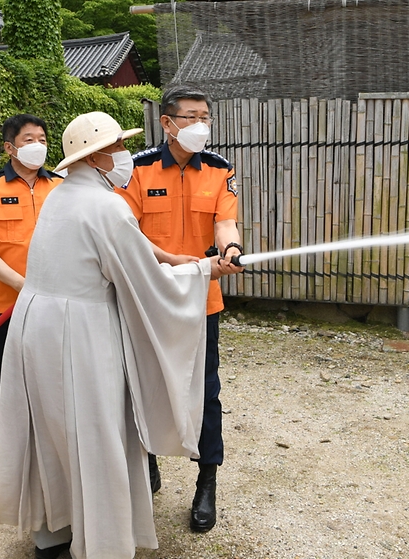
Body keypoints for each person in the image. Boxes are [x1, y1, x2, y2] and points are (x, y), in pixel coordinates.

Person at [0, 111, 241, 559]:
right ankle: (103, 541)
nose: (124, 156)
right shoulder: (105, 204)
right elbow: (143, 281)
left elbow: (130, 248)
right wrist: (202, 269)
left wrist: (180, 261)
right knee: (95, 430)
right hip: (80, 332)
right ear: (95, 158)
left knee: (51, 429)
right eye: (116, 147)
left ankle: (53, 531)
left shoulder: (61, 196)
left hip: (36, 327)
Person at [116, 84, 242, 533]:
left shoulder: (219, 170)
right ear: (167, 123)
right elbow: (126, 235)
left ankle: (206, 482)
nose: (201, 125)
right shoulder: (137, 169)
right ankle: (146, 461)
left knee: (205, 390)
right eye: (191, 116)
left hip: (201, 299)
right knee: (141, 382)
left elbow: (225, 220)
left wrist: (230, 247)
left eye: (206, 116)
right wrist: (182, 262)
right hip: (146, 298)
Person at [0, 114, 62, 441]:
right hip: (4, 309)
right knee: (5, 387)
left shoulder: (61, 187)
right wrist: (23, 285)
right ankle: (8, 466)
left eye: (43, 140)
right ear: (10, 147)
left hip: (54, 308)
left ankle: (47, 462)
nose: (38, 146)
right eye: (28, 140)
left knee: (51, 386)